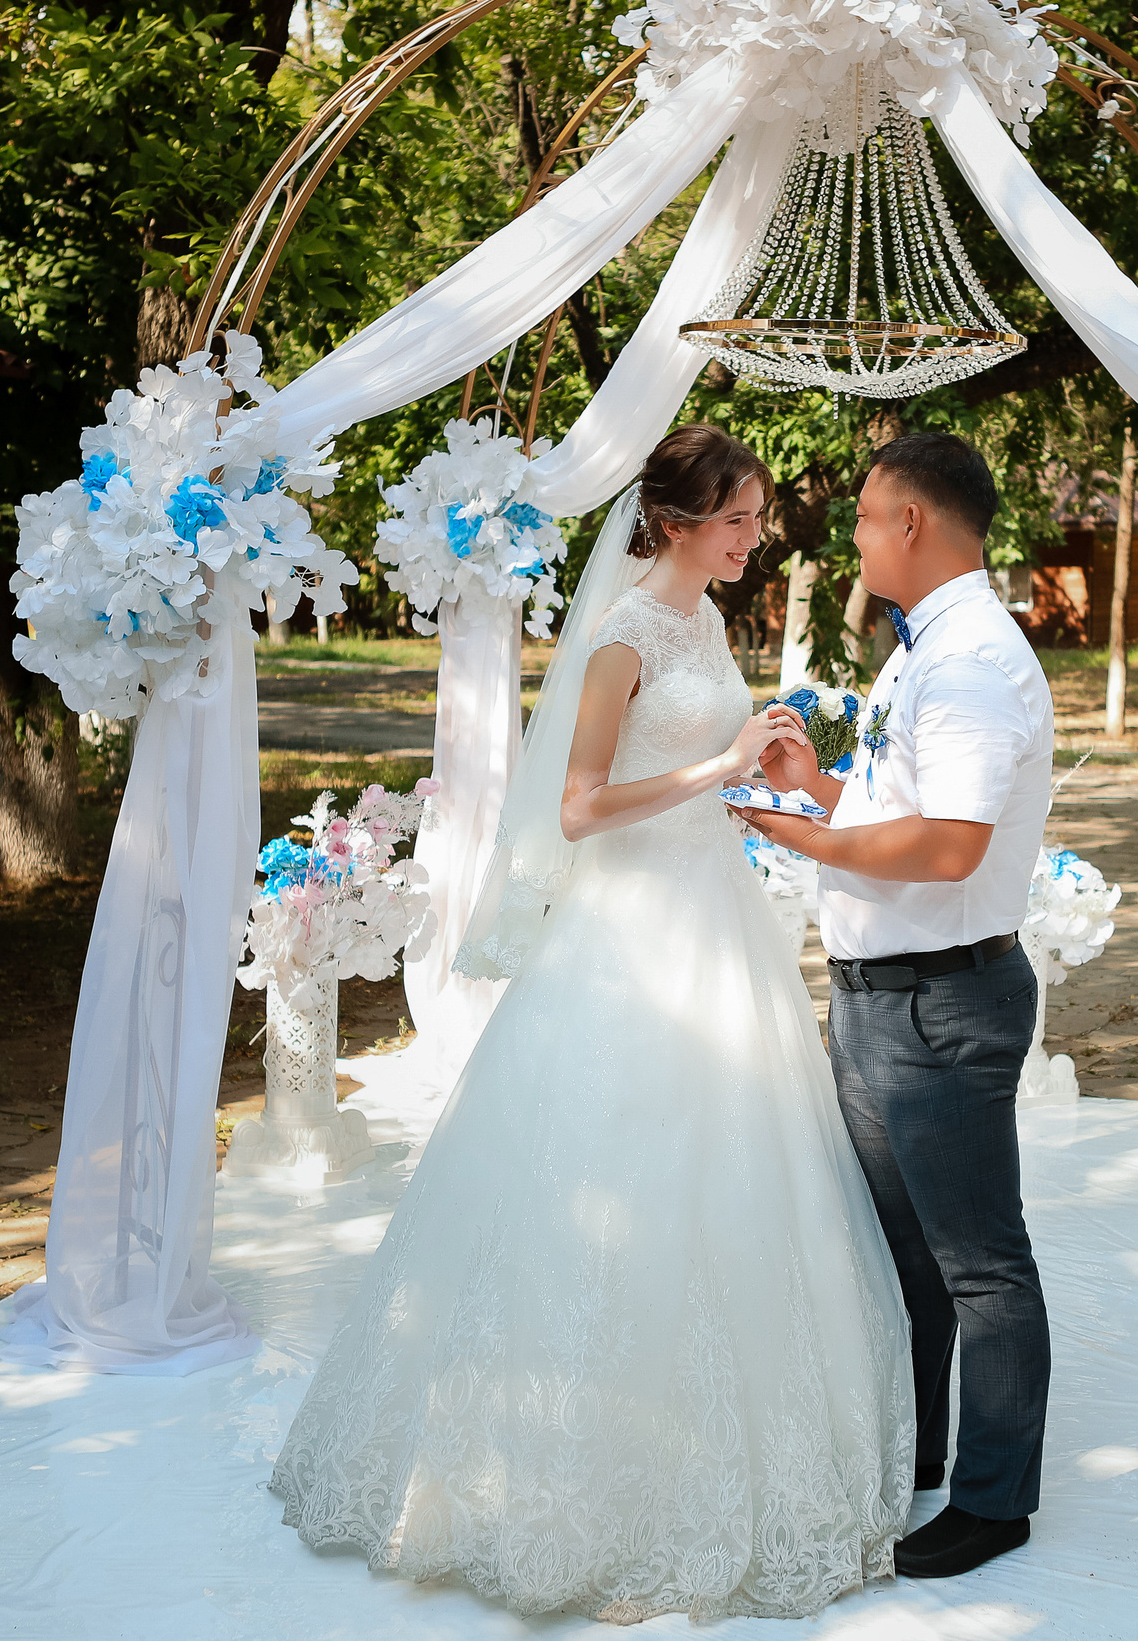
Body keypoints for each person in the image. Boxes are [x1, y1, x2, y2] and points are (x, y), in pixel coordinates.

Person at [268, 424, 914, 1623]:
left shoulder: (708, 623)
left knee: (741, 1170)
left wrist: (759, 750)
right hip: (628, 938)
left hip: (714, 920)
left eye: (755, 520)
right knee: (603, 1167)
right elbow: (575, 810)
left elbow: (706, 755)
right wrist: (715, 766)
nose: (751, 538)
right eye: (735, 521)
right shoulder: (617, 639)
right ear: (672, 522)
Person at [737, 431, 1057, 1581]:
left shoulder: (968, 661)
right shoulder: (924, 650)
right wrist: (814, 789)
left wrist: (807, 836)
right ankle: (913, 1455)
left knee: (977, 1261)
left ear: (910, 522)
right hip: (883, 996)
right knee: (900, 1253)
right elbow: (897, 803)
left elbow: (951, 845)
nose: (855, 534)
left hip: (940, 1003)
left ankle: (993, 1500)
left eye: (866, 516)